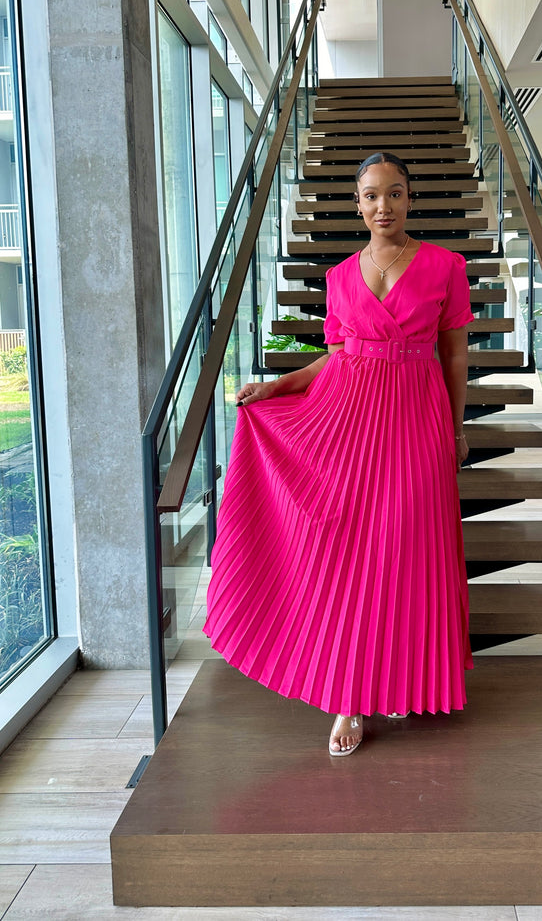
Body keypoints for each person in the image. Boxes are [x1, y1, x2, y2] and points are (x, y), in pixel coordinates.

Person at [203, 151, 474, 757]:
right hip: (348, 417)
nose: (384, 206)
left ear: (411, 199)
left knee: (408, 551)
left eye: (396, 194)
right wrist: (278, 386)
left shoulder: (446, 266)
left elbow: (455, 356)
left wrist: (455, 428)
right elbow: (338, 357)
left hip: (415, 419)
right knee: (350, 553)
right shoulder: (340, 275)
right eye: (372, 195)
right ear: (357, 203)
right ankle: (349, 696)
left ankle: (405, 679)